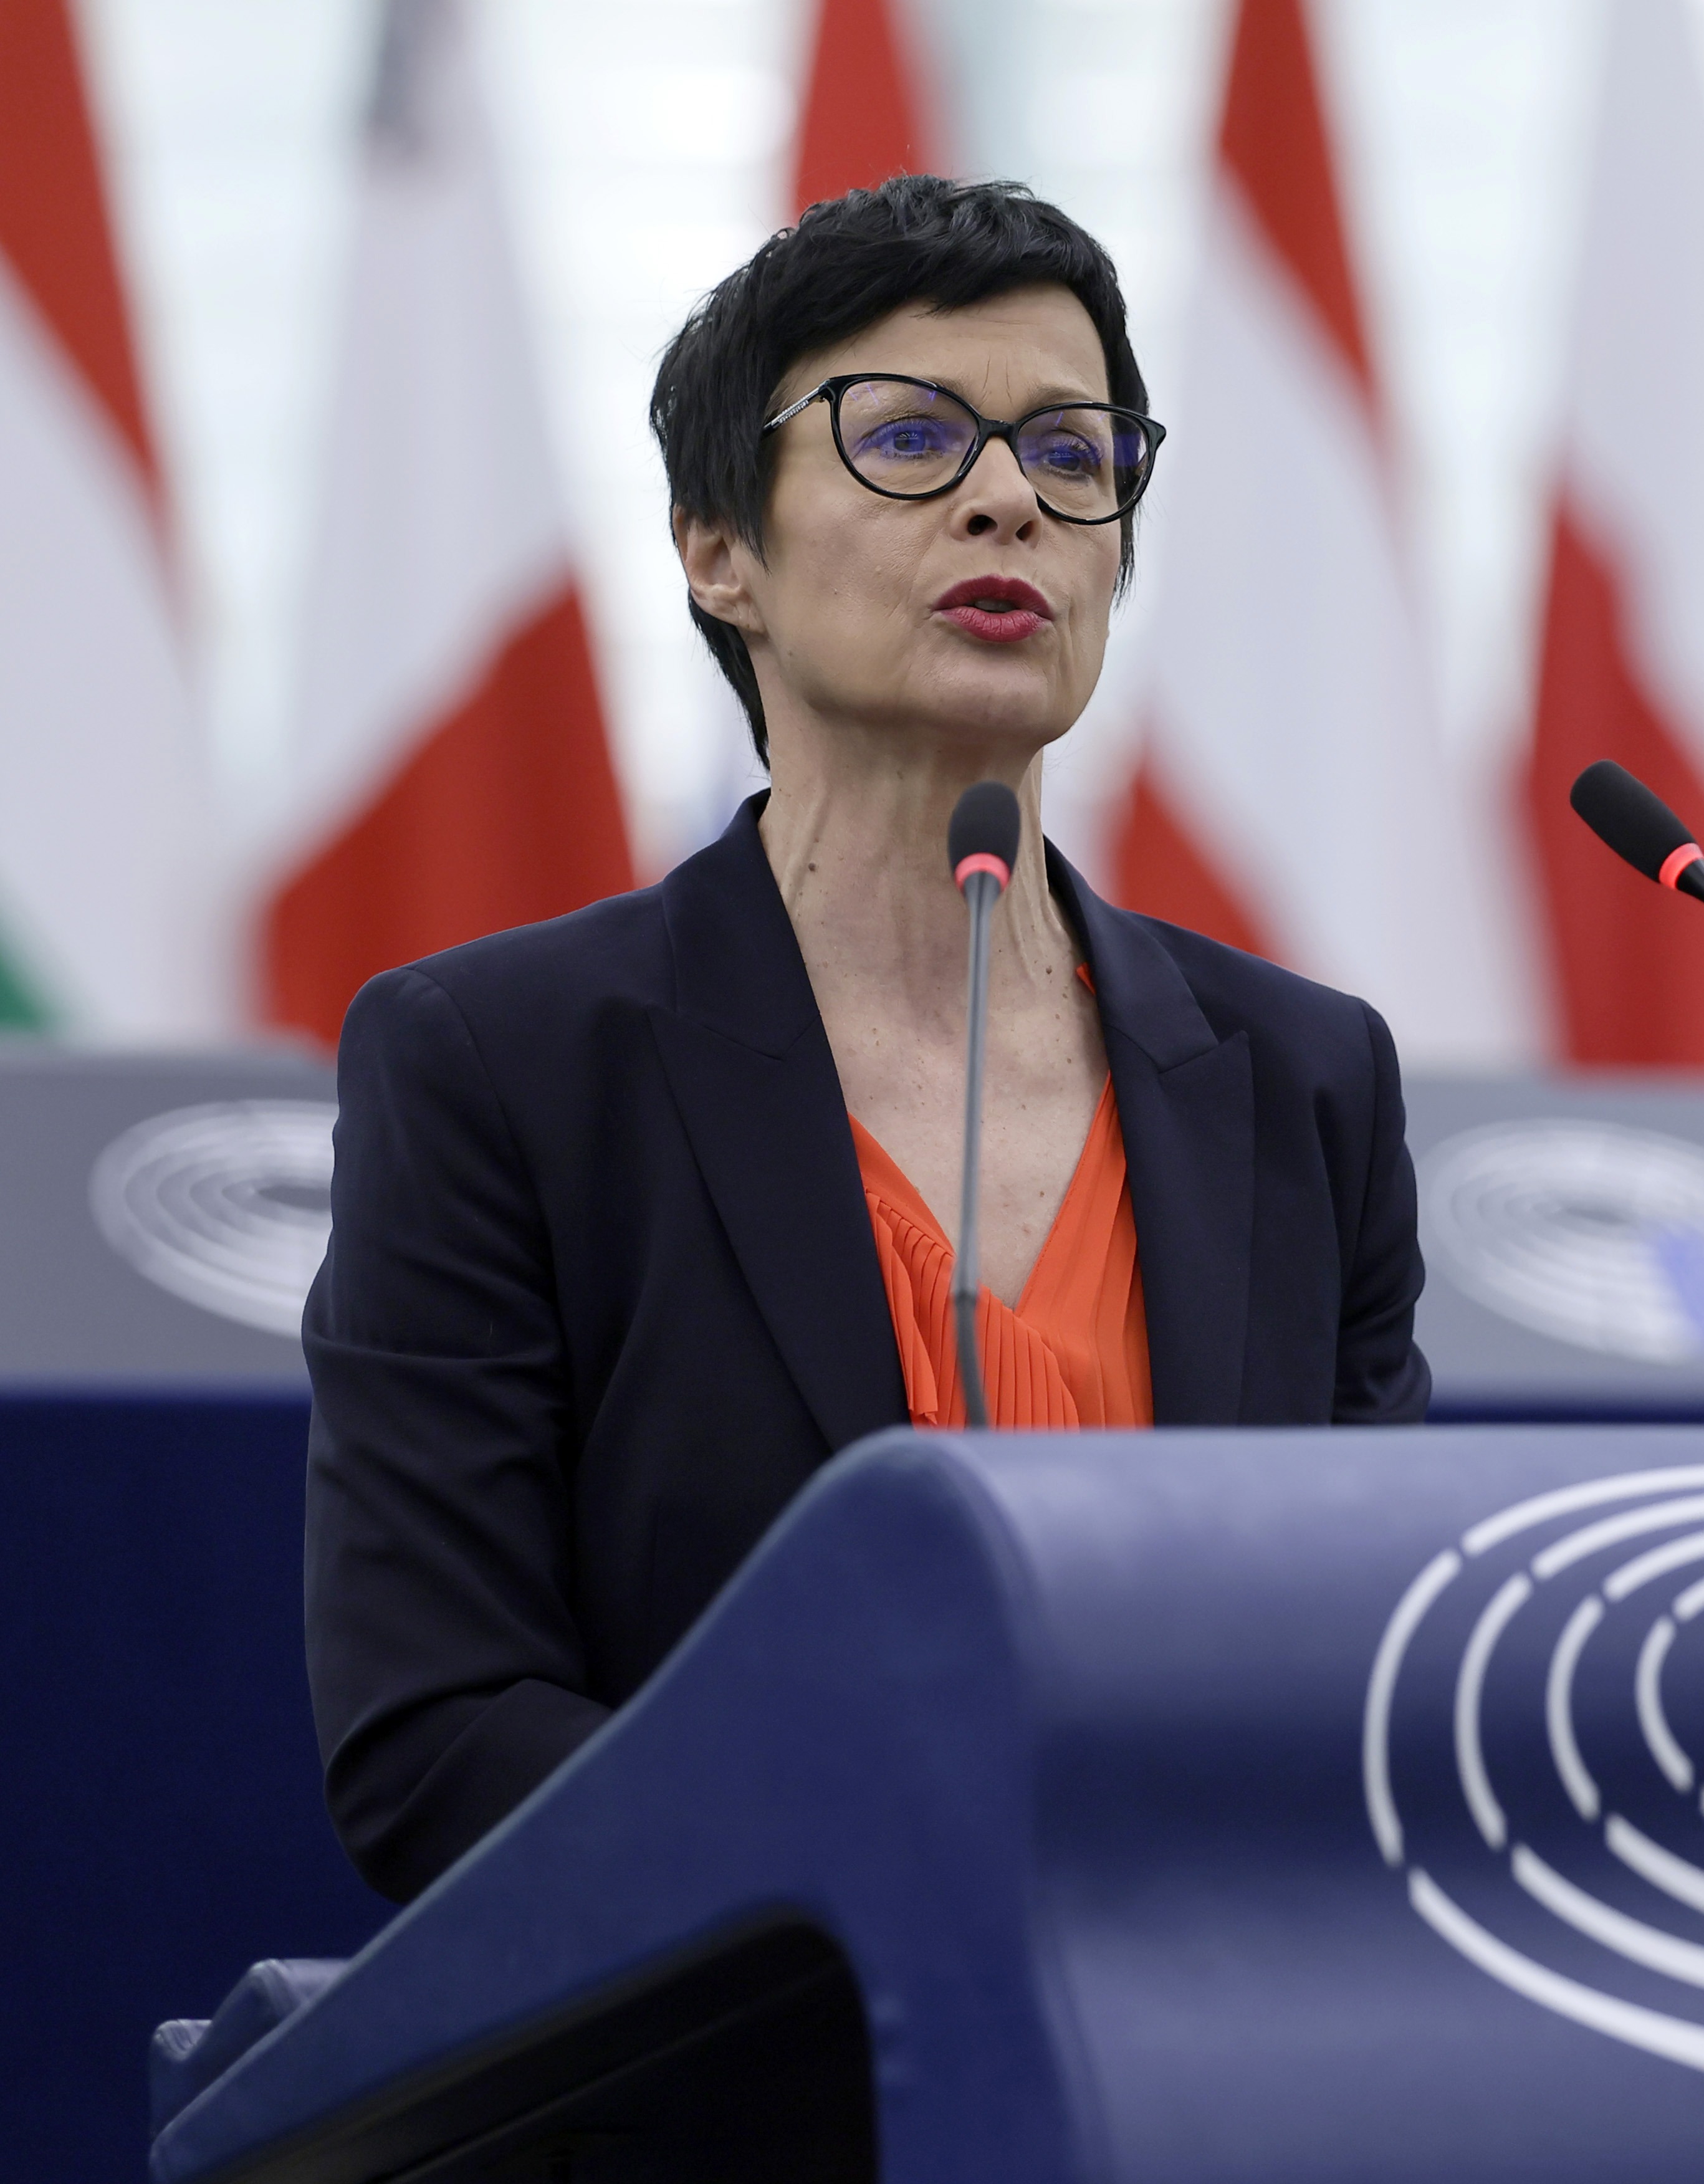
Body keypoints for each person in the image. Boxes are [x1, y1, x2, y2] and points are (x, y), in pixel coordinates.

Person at [303, 176, 1432, 1904]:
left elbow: (1380, 1677)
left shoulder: (1305, 1081)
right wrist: (916, 1865)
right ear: (719, 549)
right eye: (909, 437)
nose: (1008, 499)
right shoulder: (503, 1065)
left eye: (1072, 454)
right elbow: (437, 1735)